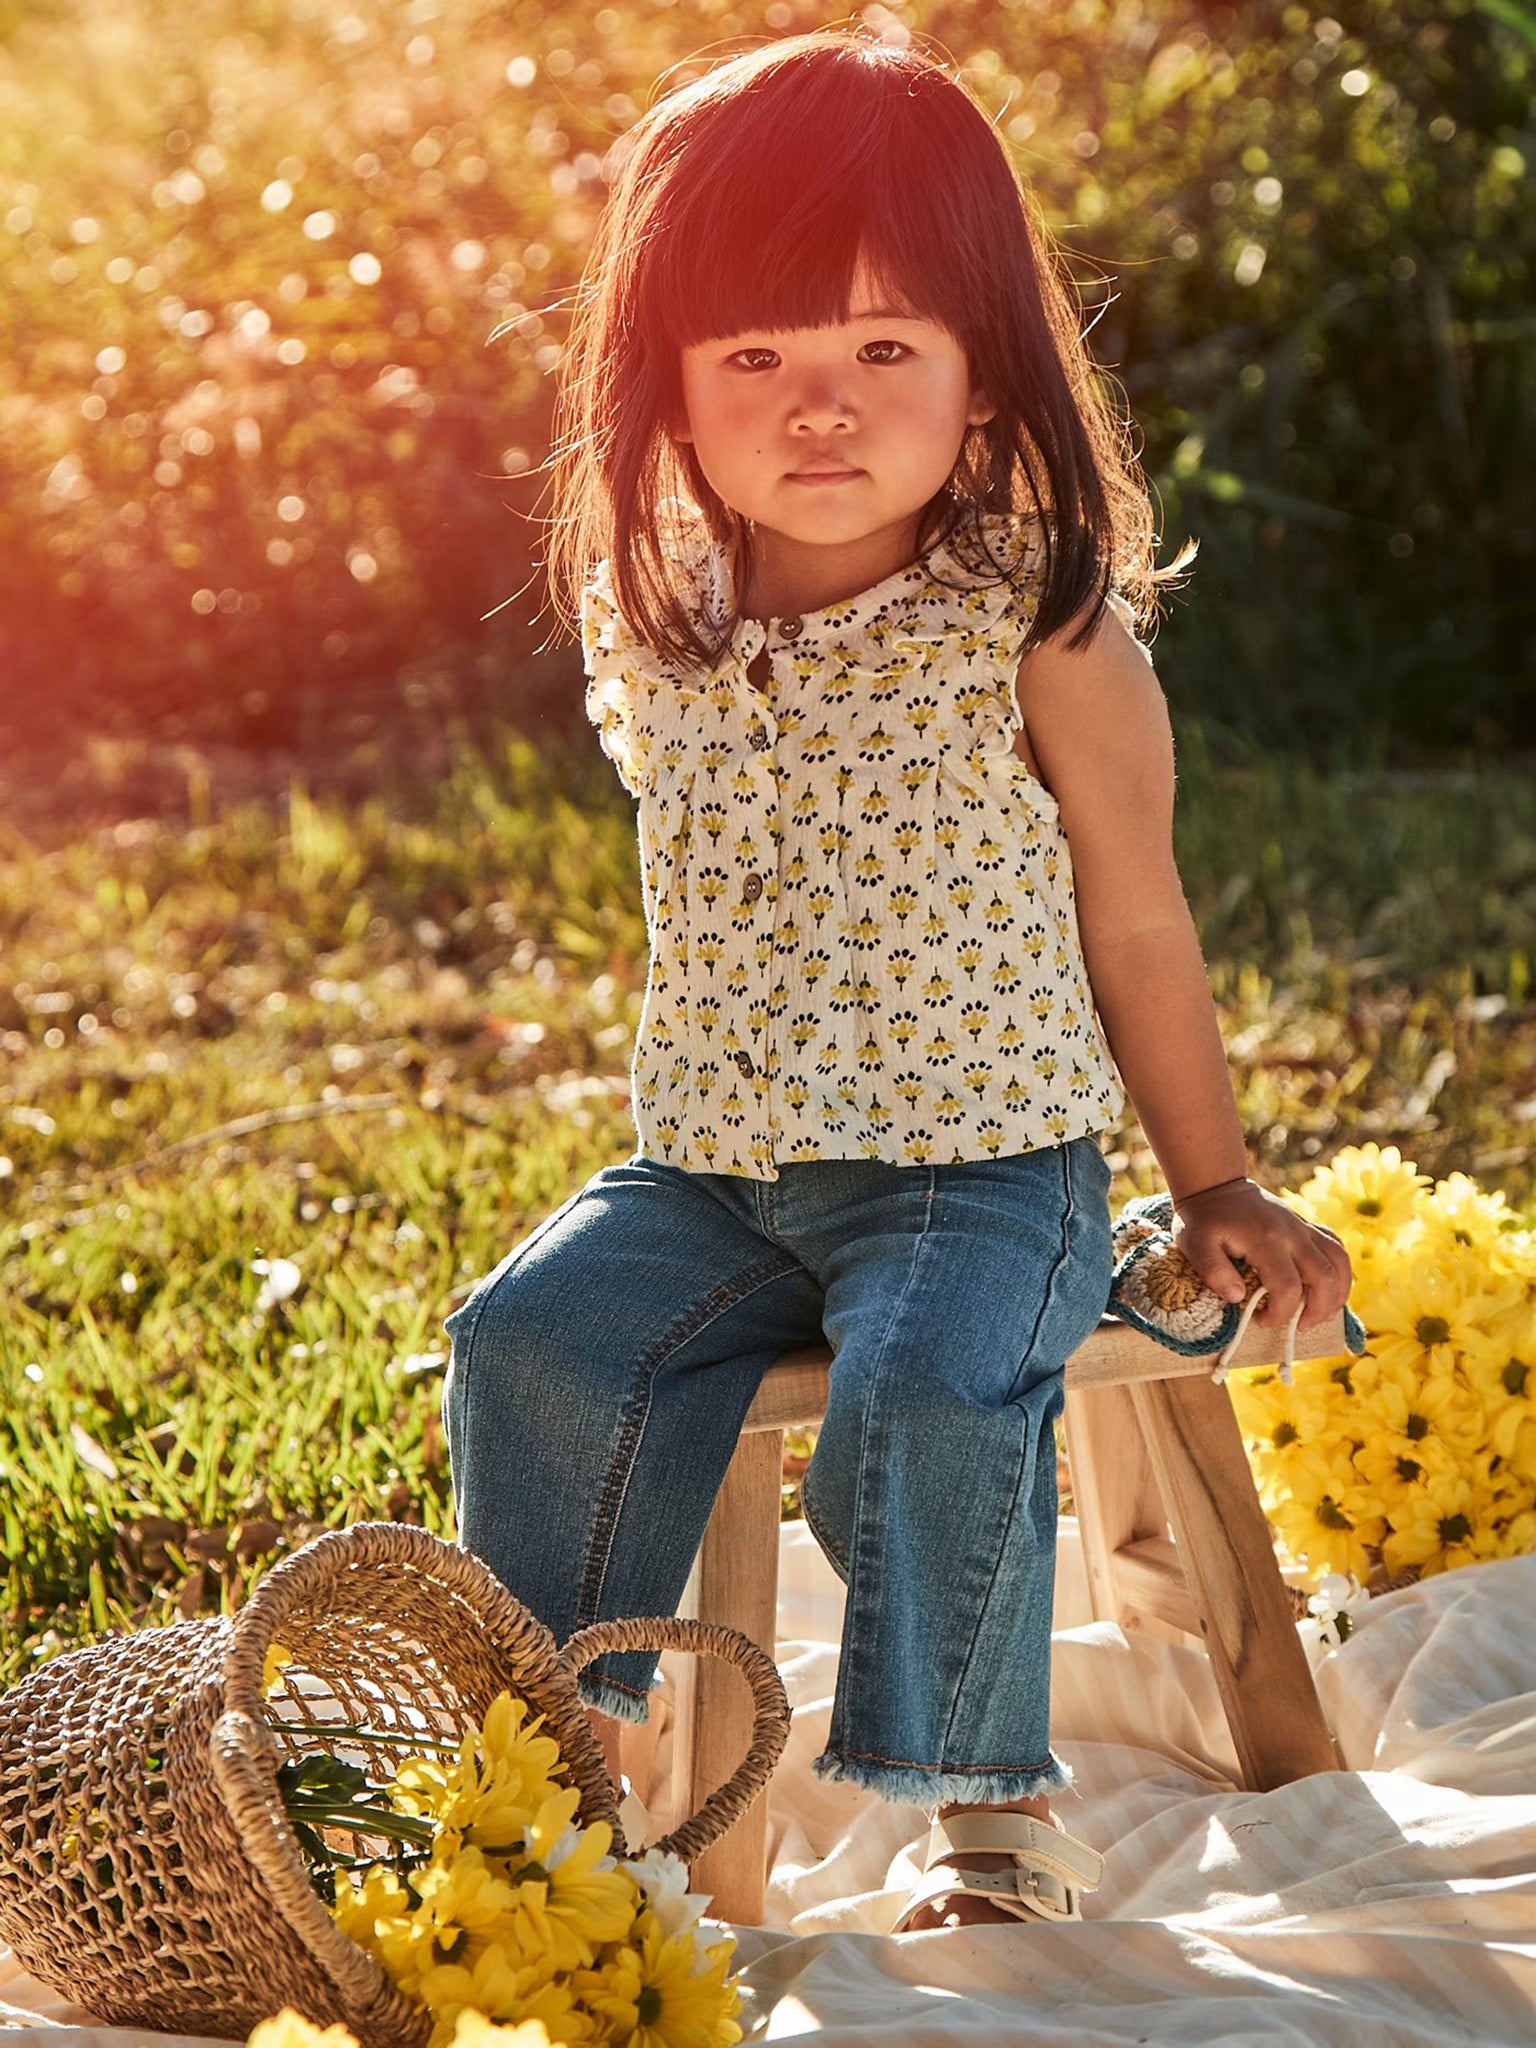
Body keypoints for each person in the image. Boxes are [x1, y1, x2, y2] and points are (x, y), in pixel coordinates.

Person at [443, 30, 1353, 1933]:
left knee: (932, 1388)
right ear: (668, 392)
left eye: (884, 351)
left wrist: (1215, 1184)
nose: (822, 408)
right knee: (524, 1337)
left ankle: (982, 1797)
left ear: (981, 367)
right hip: (717, 1169)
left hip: (979, 1166)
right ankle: (553, 1747)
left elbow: (1140, 915)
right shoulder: (664, 607)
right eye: (755, 358)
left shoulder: (1035, 613)